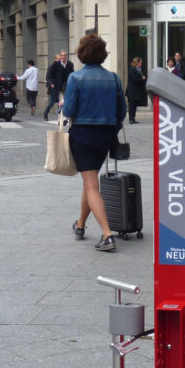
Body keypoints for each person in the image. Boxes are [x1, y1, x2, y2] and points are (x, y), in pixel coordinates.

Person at [60, 34, 126, 252]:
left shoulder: (75, 78)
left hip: (83, 135)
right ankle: (80, 225)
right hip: (106, 136)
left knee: (91, 184)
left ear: (82, 54)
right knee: (90, 182)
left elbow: (68, 111)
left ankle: (107, 235)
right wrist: (112, 128)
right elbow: (122, 110)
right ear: (102, 54)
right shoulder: (114, 78)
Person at [43, 50, 74, 121]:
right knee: (52, 102)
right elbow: (49, 76)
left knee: (63, 101)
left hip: (65, 86)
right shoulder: (55, 64)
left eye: (65, 55)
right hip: (56, 86)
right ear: (60, 56)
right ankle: (46, 113)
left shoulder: (70, 64)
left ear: (67, 56)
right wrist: (51, 83)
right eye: (62, 55)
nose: (63, 57)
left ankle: (61, 117)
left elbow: (72, 74)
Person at [126, 57, 146, 124]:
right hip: (132, 90)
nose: (141, 64)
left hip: (137, 90)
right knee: (132, 105)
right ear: (137, 63)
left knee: (135, 105)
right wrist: (142, 79)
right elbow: (134, 79)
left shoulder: (139, 70)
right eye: (140, 62)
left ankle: (133, 118)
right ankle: (131, 119)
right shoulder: (132, 69)